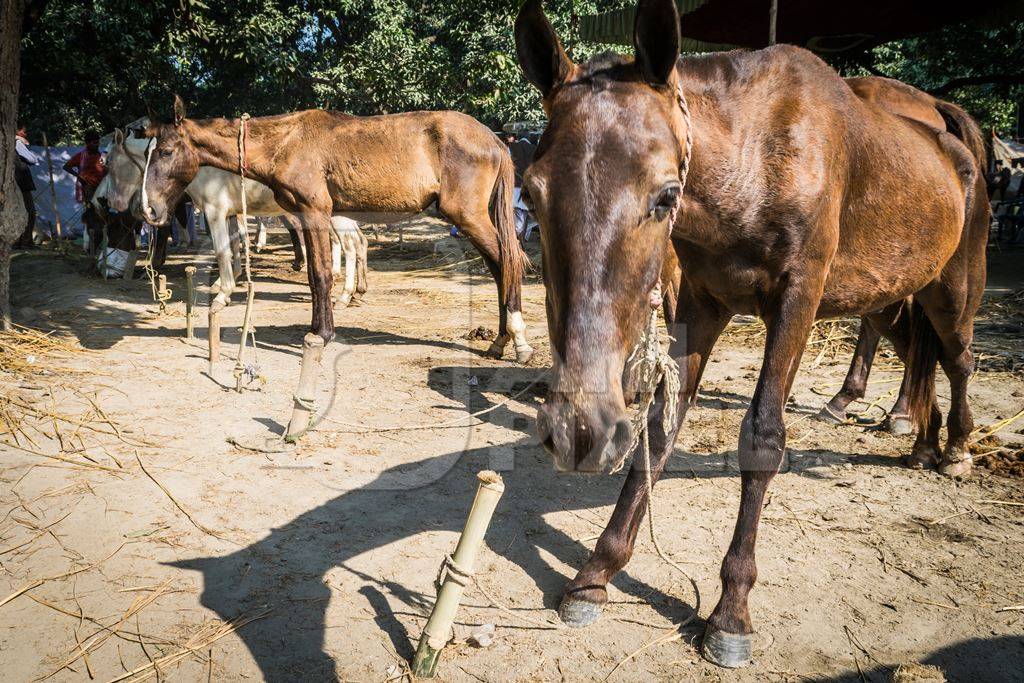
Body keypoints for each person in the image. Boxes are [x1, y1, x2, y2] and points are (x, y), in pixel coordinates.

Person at [63, 130, 107, 252]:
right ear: (87, 143)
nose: (97, 145)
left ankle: (97, 245)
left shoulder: (102, 156)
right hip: (88, 189)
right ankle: (91, 247)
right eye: (94, 143)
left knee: (102, 217)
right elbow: (66, 166)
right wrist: (79, 176)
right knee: (91, 217)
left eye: (98, 143)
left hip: (102, 190)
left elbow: (107, 171)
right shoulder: (80, 156)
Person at [14, 124, 39, 249]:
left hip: (16, 182)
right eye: (24, 131)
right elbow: (32, 159)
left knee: (18, 212)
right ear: (18, 131)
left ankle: (19, 241)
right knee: (30, 212)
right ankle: (25, 242)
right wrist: (25, 145)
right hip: (22, 182)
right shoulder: (17, 143)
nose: (26, 134)